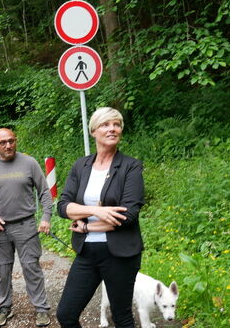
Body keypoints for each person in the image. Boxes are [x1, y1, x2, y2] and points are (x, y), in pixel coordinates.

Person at [55, 107, 145, 328]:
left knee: (121, 316)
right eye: (105, 124)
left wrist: (87, 227)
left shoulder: (130, 166)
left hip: (120, 254)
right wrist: (97, 211)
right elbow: (63, 206)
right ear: (93, 131)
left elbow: (128, 216)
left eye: (116, 125)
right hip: (87, 253)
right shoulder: (81, 166)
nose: (112, 129)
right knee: (66, 314)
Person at [0, 128, 53, 327]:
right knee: (3, 271)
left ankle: (41, 309)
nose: (8, 145)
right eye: (2, 142)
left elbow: (44, 192)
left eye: (11, 141)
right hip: (0, 229)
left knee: (31, 268)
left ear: (16, 141)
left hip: (25, 225)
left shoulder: (29, 163)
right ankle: (4, 307)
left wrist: (46, 217)